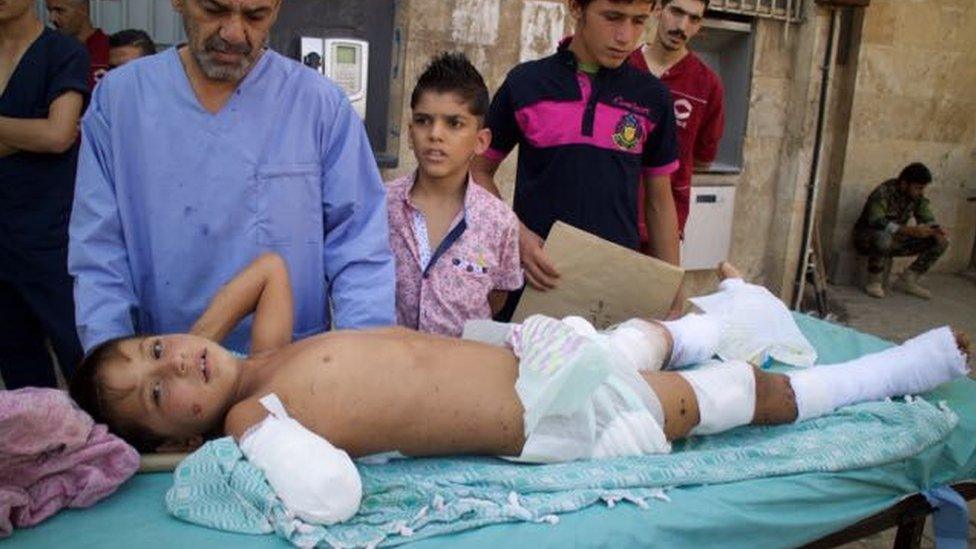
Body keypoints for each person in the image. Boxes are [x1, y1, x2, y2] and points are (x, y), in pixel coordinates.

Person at [70, 253, 970, 524]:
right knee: (728, 397)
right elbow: (334, 494)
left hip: (537, 357)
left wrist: (195, 343)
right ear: (184, 435)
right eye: (155, 394)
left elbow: (269, 267)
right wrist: (232, 425)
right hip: (553, 416)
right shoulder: (249, 409)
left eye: (157, 347)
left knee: (627, 338)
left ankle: (723, 309)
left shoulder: (256, 359)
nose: (174, 366)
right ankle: (893, 373)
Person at [68, 0, 395, 356]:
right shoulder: (120, 101)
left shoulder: (320, 106)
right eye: (214, 10)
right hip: (165, 380)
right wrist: (118, 373)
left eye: (256, 16)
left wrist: (359, 365)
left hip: (289, 375)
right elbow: (99, 255)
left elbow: (360, 249)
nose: (234, 34)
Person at [471, 0, 682, 318]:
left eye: (639, 21)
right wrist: (517, 236)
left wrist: (671, 286)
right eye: (612, 17)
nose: (625, 36)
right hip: (537, 282)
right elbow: (476, 171)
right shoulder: (525, 84)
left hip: (616, 289)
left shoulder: (653, 97)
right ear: (576, 7)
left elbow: (659, 202)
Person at [387, 52, 522, 337]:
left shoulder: (499, 221)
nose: (435, 134)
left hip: (459, 369)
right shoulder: (381, 205)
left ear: (481, 140)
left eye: (454, 123)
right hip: (391, 363)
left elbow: (496, 298)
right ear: (410, 134)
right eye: (424, 121)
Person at [0, 0, 88, 388]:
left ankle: (108, 447)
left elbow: (58, 135)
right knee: (17, 361)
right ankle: (40, 447)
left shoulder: (62, 52)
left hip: (50, 234)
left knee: (78, 352)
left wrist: (45, 134)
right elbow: (48, 133)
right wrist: (27, 132)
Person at [628, 0, 724, 247]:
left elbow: (703, 158)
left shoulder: (707, 85)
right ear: (658, 10)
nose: (682, 26)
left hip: (662, 228)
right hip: (609, 214)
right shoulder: (622, 67)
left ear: (700, 25)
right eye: (677, 12)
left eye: (693, 19)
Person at [853, 162, 948, 300]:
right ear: (904, 184)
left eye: (923, 188)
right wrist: (909, 230)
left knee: (941, 241)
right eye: (918, 187)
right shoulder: (883, 192)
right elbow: (876, 221)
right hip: (867, 239)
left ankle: (908, 279)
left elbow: (926, 217)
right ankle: (874, 281)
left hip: (896, 239)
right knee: (883, 237)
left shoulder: (917, 197)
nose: (921, 192)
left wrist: (934, 229)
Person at [45, 0, 108, 88]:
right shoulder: (47, 52)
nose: (52, 19)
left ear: (83, 9)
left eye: (59, 10)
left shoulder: (111, 50)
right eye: (50, 11)